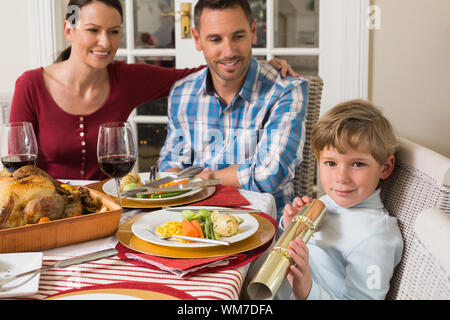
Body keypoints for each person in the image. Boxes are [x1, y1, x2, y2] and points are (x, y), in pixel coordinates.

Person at [9, 0, 294, 181]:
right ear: (69, 30)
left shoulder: (126, 78)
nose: (105, 43)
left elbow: (199, 73)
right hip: (47, 211)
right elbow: (18, 167)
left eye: (114, 31)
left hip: (108, 209)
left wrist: (255, 63)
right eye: (93, 30)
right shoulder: (31, 85)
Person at [158, 0, 308, 220]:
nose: (229, 52)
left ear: (253, 32)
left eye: (238, 37)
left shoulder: (286, 90)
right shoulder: (182, 92)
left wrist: (207, 177)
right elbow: (169, 165)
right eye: (215, 39)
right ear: (198, 39)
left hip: (262, 230)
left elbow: (271, 173)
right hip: (191, 228)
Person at [281, 99, 404, 300]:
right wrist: (292, 228)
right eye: (330, 162)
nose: (341, 177)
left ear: (385, 167)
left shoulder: (374, 238)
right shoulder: (331, 202)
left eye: (357, 164)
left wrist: (308, 293)